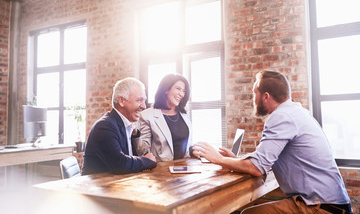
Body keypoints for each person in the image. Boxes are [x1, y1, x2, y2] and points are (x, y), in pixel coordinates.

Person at [193, 70, 352, 214]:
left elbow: (257, 168)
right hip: (332, 205)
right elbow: (265, 159)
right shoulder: (297, 112)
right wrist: (235, 159)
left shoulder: (281, 116)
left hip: (321, 208)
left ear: (266, 96)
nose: (252, 99)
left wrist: (219, 159)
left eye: (254, 93)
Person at [82, 77, 156, 175]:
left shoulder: (125, 125)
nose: (144, 106)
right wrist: (147, 161)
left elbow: (130, 158)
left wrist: (135, 136)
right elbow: (120, 164)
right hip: (96, 188)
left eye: (144, 101)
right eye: (139, 100)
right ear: (121, 101)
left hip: (115, 185)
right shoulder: (105, 126)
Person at [134, 73, 194, 161]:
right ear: (166, 89)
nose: (181, 94)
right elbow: (142, 151)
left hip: (185, 167)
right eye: (178, 89)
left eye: (184, 91)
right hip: (162, 170)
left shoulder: (184, 113)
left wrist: (192, 150)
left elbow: (186, 144)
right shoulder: (147, 116)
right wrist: (135, 134)